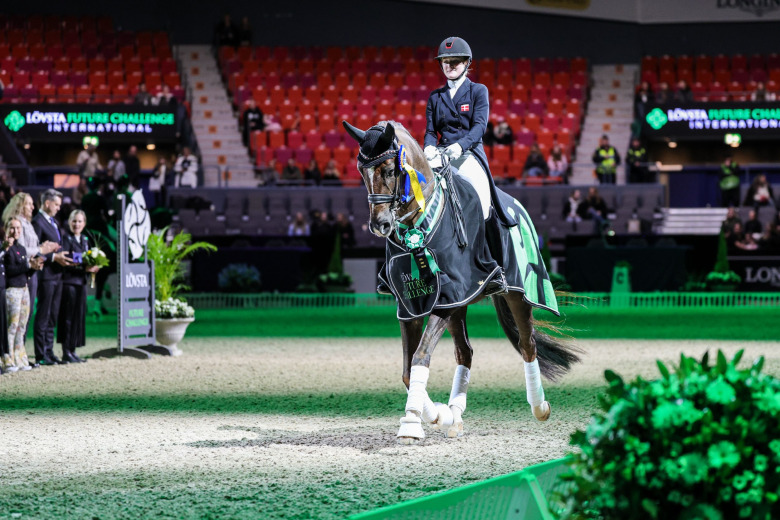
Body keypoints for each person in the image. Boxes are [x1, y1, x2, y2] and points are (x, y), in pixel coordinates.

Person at [33, 189, 74, 366]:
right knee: (43, 315)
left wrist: (62, 255)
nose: (59, 208)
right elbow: (35, 249)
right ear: (47, 203)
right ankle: (40, 354)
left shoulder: (54, 222)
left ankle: (49, 352)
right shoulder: (37, 222)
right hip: (46, 275)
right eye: (56, 204)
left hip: (57, 274)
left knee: (52, 316)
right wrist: (53, 257)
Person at [58, 210, 99, 363]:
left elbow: (86, 259)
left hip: (81, 283)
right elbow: (67, 260)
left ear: (84, 223)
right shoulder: (65, 239)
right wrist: (84, 268)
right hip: (69, 283)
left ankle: (73, 350)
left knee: (78, 317)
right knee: (68, 317)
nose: (77, 224)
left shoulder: (84, 239)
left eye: (80, 221)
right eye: (74, 221)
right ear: (69, 222)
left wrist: (94, 267)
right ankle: (66, 351)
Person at [4, 218, 35, 372]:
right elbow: (10, 272)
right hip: (12, 290)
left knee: (22, 326)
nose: (15, 231)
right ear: (5, 229)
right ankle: (8, 359)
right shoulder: (5, 249)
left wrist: (34, 268)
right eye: (12, 228)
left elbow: (24, 272)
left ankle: (20, 358)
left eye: (18, 228)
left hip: (24, 290)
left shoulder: (21, 248)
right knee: (12, 326)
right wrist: (27, 266)